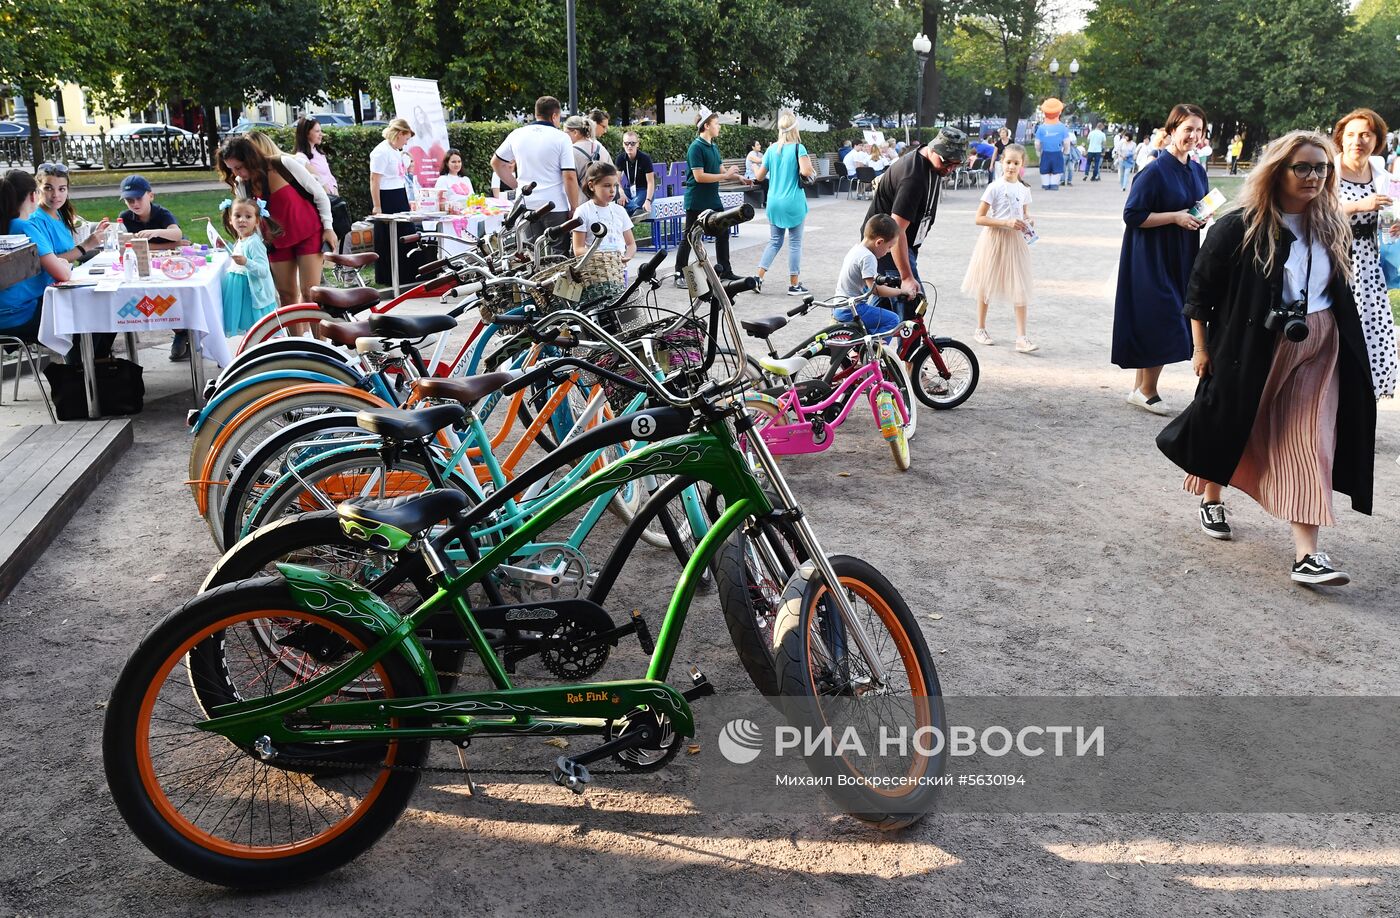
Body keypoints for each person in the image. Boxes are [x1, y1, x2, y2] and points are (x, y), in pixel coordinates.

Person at [1156, 130, 1376, 585]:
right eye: (1303, 167)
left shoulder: (1331, 222)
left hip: (1320, 343)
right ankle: (1211, 497)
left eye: (1322, 168)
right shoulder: (1239, 225)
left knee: (1310, 440)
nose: (1314, 176)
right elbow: (1199, 295)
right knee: (1236, 420)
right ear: (1278, 171)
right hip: (1255, 344)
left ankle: (1307, 556)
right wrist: (1201, 350)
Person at [1112, 104, 1209, 415]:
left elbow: (1196, 207)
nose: (1194, 135)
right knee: (1164, 317)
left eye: (1199, 129)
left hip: (1183, 253)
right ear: (1172, 132)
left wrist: (1198, 217)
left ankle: (1139, 389)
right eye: (1188, 129)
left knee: (1164, 315)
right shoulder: (1153, 171)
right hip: (1150, 256)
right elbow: (1132, 215)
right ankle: (1149, 390)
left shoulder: (1197, 170)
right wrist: (1175, 218)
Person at [217, 134, 335, 314]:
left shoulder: (283, 164)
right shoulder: (242, 184)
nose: (236, 173)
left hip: (308, 232)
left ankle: (318, 342)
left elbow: (319, 194)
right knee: (286, 295)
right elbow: (248, 218)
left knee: (310, 293)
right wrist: (240, 242)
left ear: (250, 158)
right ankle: (295, 342)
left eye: (238, 167)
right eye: (231, 169)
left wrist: (328, 228)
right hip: (276, 241)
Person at [1332, 107, 1398, 400]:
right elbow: (1316, 212)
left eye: (1366, 134)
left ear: (1377, 139)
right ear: (1341, 139)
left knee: (1371, 328)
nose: (1358, 140)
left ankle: (1361, 393)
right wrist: (1360, 206)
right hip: (1336, 257)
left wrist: (1396, 224)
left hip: (1369, 262)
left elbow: (1387, 210)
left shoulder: (1380, 170)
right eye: (1351, 134)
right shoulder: (1328, 169)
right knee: (1336, 328)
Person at [863, 127, 967, 306]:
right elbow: (896, 231)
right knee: (911, 308)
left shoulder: (933, 165)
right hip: (887, 248)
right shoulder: (913, 177)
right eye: (946, 162)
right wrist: (906, 276)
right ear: (933, 150)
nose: (950, 169)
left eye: (956, 165)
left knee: (887, 313)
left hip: (902, 246)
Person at [963, 144, 1037, 353]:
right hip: (994, 239)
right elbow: (979, 218)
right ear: (1001, 162)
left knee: (1020, 286)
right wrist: (1005, 223)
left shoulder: (1024, 189)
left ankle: (1021, 337)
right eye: (1008, 162)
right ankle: (980, 328)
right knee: (986, 283)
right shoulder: (994, 187)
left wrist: (1029, 221)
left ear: (1022, 165)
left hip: (1016, 241)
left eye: (1016, 163)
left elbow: (1024, 213)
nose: (1011, 166)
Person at [490, 96, 579, 252]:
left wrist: (516, 185)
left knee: (532, 253)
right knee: (558, 253)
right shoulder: (562, 138)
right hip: (555, 204)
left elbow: (496, 163)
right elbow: (569, 176)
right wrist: (574, 206)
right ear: (554, 116)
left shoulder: (517, 134)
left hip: (526, 204)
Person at [672, 108, 748, 285]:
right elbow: (699, 176)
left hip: (713, 199)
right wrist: (726, 176)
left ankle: (725, 271)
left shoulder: (713, 146)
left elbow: (721, 170)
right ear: (706, 126)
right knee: (690, 237)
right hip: (697, 200)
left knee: (723, 233)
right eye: (716, 123)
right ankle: (679, 274)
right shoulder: (695, 147)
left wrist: (739, 177)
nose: (719, 126)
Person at [0, 170, 72, 349]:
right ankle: (82, 373)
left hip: (6, 316)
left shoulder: (6, 225)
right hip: (20, 316)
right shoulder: (25, 227)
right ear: (33, 196)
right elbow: (62, 274)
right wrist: (63, 263)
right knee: (87, 319)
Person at [118, 175, 187, 358]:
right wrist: (168, 245)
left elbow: (177, 234)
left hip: (169, 262)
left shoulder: (161, 213)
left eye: (138, 198)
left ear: (151, 196)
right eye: (129, 200)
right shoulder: (125, 218)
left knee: (169, 295)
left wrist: (156, 233)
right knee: (149, 297)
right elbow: (128, 245)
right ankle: (180, 332)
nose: (134, 203)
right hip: (141, 262)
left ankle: (182, 332)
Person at [752, 111, 813, 295]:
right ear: (795, 128)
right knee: (794, 243)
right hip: (793, 202)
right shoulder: (798, 148)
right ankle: (794, 285)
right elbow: (806, 172)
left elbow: (759, 177)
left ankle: (758, 277)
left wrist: (754, 166)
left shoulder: (771, 150)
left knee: (775, 241)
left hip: (774, 202)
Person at [570, 162, 635, 309]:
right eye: (606, 186)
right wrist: (602, 257)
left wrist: (628, 256)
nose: (612, 191)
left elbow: (631, 244)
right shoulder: (583, 212)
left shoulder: (620, 211)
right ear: (592, 186)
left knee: (618, 309)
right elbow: (578, 249)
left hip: (619, 272)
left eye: (615, 186)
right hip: (595, 274)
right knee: (599, 312)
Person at [832, 213, 904, 335]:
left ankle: (860, 346)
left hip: (840, 306)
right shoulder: (869, 257)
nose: (888, 252)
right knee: (893, 320)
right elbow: (875, 290)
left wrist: (888, 280)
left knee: (872, 327)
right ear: (879, 242)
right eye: (889, 247)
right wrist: (901, 292)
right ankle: (875, 350)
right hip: (852, 309)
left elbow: (869, 278)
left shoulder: (857, 249)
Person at [218, 197, 280, 336]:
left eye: (248, 216)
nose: (242, 220)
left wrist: (246, 262)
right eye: (237, 216)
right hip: (242, 292)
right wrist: (227, 246)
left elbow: (263, 271)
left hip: (251, 294)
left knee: (258, 329)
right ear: (230, 219)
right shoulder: (242, 239)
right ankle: (250, 348)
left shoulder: (254, 243)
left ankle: (258, 350)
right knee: (249, 329)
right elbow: (239, 256)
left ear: (257, 221)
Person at [34, 162, 108, 264]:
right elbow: (48, 263)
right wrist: (86, 245)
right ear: (38, 189)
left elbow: (68, 253)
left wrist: (95, 237)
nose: (56, 194)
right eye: (48, 188)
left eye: (61, 189)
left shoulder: (59, 214)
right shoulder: (35, 220)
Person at [292, 117, 338, 197]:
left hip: (332, 197)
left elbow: (329, 176)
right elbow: (317, 182)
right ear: (306, 133)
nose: (321, 134)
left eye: (321, 131)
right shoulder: (301, 158)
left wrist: (335, 191)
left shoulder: (319, 153)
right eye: (317, 131)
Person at [617, 131, 656, 218]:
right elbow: (616, 180)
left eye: (632, 143)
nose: (629, 146)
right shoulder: (620, 158)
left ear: (637, 144)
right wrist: (621, 193)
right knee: (614, 194)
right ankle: (635, 210)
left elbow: (650, 182)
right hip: (630, 189)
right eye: (626, 143)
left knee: (634, 202)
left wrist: (648, 200)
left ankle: (628, 211)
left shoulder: (645, 158)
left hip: (644, 190)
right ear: (623, 144)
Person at [1033, 99, 1069, 190]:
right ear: (1059, 112)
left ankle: (1045, 184)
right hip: (1057, 153)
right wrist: (1066, 151)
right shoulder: (1063, 127)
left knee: (1044, 169)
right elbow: (1066, 142)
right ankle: (1054, 184)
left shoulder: (1041, 128)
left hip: (1045, 152)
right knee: (1057, 169)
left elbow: (1037, 143)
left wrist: (1038, 151)